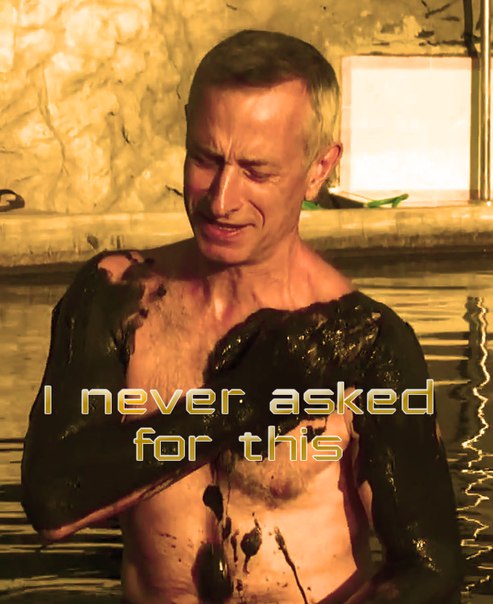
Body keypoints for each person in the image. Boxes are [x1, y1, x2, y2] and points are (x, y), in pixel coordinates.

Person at [21, 30, 462, 604]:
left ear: (319, 169)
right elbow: (52, 500)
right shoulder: (117, 296)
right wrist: (246, 400)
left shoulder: (365, 344)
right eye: (205, 159)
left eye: (256, 171)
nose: (221, 199)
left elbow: (432, 571)